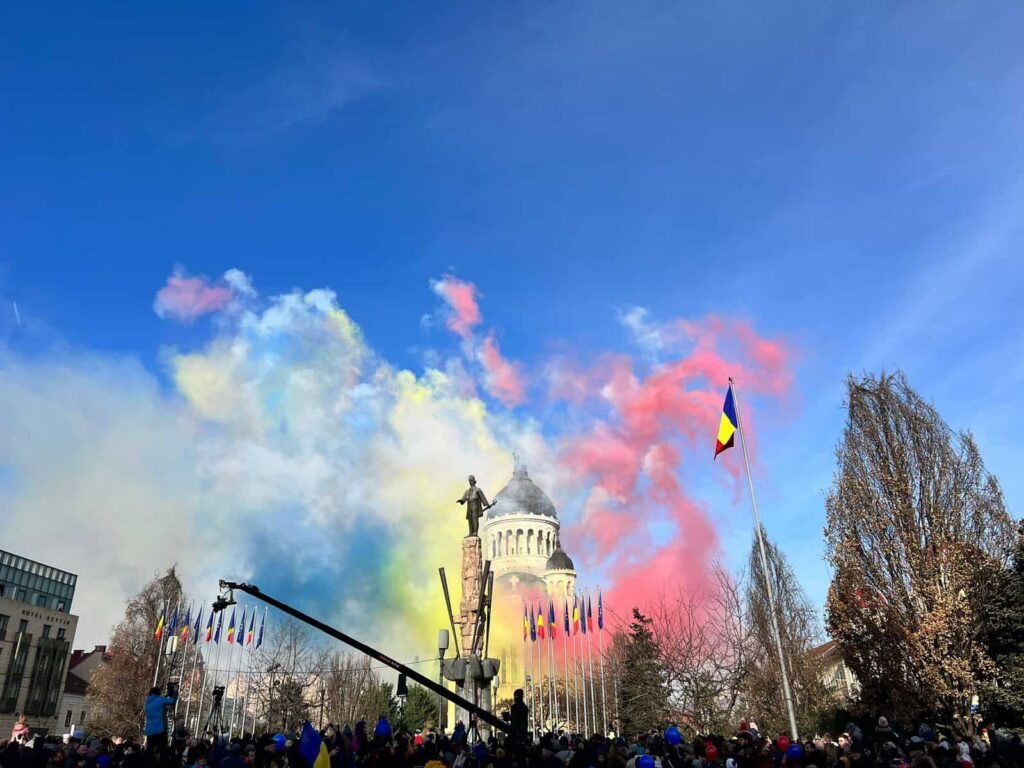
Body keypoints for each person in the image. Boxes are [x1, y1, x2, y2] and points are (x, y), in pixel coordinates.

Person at [144, 686, 177, 753]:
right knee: (162, 748)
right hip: (160, 728)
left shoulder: (148, 701)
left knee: (150, 748)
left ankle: (147, 761)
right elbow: (172, 701)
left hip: (149, 729)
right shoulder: (161, 699)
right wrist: (175, 692)